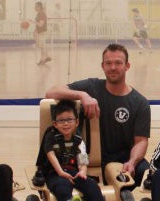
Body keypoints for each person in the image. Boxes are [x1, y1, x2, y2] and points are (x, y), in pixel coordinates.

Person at [45, 43, 150, 189]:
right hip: (88, 161)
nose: (113, 67)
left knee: (148, 172)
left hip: (123, 161)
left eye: (118, 63)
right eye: (108, 63)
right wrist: (82, 95)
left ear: (127, 66)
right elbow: (51, 92)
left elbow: (141, 141)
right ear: (103, 66)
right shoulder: (91, 87)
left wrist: (132, 162)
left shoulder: (140, 102)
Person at [41, 100, 110, 201]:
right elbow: (51, 155)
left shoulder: (78, 140)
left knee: (90, 184)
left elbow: (83, 159)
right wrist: (61, 172)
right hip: (55, 173)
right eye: (61, 121)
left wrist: (83, 171)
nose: (66, 123)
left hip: (73, 171)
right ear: (55, 124)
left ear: (77, 122)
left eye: (69, 120)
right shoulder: (50, 137)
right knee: (62, 185)